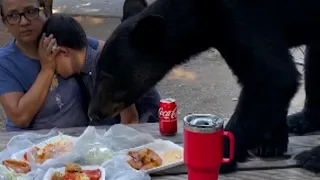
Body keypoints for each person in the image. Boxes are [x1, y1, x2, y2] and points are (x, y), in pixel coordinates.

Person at [40, 14, 161, 125]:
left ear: (63, 51)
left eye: (51, 60)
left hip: (147, 124)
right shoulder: (84, 56)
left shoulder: (108, 68)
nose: (53, 70)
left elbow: (130, 120)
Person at [0, 0, 102, 131]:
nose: (24, 22)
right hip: (32, 146)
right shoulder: (5, 62)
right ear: (5, 23)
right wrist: (47, 69)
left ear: (47, 12)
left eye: (31, 11)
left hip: (78, 140)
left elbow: (108, 50)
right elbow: (20, 117)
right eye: (13, 15)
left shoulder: (62, 39)